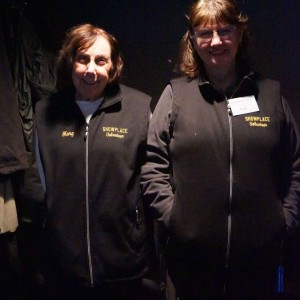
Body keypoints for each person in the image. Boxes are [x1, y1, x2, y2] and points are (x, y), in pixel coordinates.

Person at [141, 0, 300, 299]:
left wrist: (284, 219)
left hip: (258, 262)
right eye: (204, 33)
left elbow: (295, 164)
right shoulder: (175, 95)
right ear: (192, 40)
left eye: (224, 31)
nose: (215, 41)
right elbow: (153, 164)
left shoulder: (270, 94)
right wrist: (175, 218)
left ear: (240, 34)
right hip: (191, 262)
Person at [22, 23, 156, 300]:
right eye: (82, 59)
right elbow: (36, 182)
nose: (91, 70)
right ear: (70, 62)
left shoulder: (139, 109)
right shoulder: (46, 111)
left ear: (114, 65)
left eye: (100, 60)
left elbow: (151, 178)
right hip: (63, 267)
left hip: (124, 263)